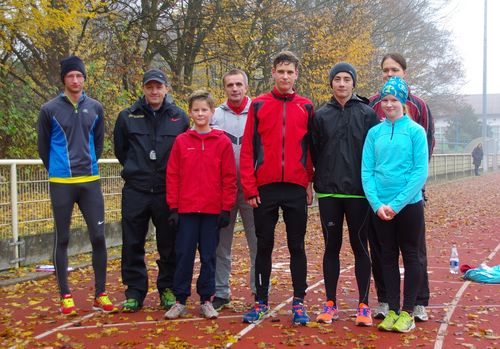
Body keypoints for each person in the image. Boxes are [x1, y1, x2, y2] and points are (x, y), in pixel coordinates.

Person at [37, 55, 117, 315]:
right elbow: (43, 146)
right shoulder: (49, 109)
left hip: (90, 181)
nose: (75, 80)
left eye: (79, 76)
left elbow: (98, 142)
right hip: (61, 182)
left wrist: (87, 164)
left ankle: (100, 294)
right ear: (64, 79)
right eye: (71, 76)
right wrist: (58, 169)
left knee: (98, 237)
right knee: (63, 238)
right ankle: (65, 296)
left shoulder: (95, 107)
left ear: (84, 78)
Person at [239, 51, 314, 325]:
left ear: (296, 75)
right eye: (280, 71)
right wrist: (250, 187)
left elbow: (310, 150)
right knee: (264, 247)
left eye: (289, 72)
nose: (285, 76)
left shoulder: (306, 106)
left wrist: (308, 181)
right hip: (265, 188)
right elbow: (247, 149)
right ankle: (261, 301)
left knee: (297, 246)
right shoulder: (258, 105)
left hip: (295, 187)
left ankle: (298, 302)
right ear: (273, 72)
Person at [114, 69, 189, 312]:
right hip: (136, 189)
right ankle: (135, 291)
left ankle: (167, 288)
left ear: (166, 88)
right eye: (150, 87)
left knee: (169, 242)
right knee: (132, 242)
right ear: (144, 89)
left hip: (168, 191)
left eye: (159, 87)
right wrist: (138, 170)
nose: (154, 91)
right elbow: (121, 151)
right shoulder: (127, 117)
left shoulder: (180, 117)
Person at [310, 62, 379, 326]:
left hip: (359, 194)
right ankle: (330, 304)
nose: (341, 83)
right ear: (331, 83)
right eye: (337, 79)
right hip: (329, 194)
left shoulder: (367, 114)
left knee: (361, 247)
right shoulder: (320, 115)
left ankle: (363, 305)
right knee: (331, 248)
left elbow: (373, 152)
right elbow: (315, 151)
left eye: (346, 79)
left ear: (353, 83)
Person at [369, 53, 434, 322]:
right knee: (383, 251)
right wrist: (377, 200)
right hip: (380, 197)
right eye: (385, 69)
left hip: (409, 195)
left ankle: (417, 302)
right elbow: (369, 157)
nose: (390, 73)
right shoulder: (373, 105)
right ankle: (386, 301)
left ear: (404, 72)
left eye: (394, 69)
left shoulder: (419, 107)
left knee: (414, 250)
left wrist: (414, 188)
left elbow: (426, 148)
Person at [164, 90, 237, 319]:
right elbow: (173, 175)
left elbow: (229, 178)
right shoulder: (181, 141)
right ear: (190, 113)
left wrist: (226, 208)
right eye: (196, 110)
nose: (200, 113)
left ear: (212, 112)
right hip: (186, 211)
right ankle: (179, 300)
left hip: (211, 211)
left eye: (204, 109)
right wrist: (174, 208)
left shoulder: (222, 142)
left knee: (209, 256)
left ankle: (206, 299)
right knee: (184, 254)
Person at [211, 69, 257, 311]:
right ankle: (221, 291)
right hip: (224, 191)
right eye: (230, 85)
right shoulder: (215, 115)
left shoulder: (258, 110)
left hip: (253, 190)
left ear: (246, 87)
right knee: (221, 244)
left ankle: (258, 290)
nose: (235, 89)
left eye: (239, 84)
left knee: (257, 243)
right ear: (225, 88)